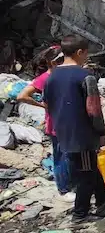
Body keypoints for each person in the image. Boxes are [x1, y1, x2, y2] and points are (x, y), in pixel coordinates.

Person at [44, 35, 105, 223]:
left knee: (90, 167)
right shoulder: (85, 76)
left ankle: (104, 200)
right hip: (82, 135)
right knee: (86, 174)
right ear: (80, 52)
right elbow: (94, 109)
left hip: (63, 131)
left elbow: (47, 104)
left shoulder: (51, 76)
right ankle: (80, 214)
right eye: (86, 54)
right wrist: (101, 133)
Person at [17, 45, 75, 203]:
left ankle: (70, 183)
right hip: (56, 123)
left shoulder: (61, 76)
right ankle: (63, 190)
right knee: (61, 157)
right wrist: (42, 105)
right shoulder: (45, 78)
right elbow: (22, 95)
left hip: (68, 121)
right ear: (55, 63)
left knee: (68, 155)